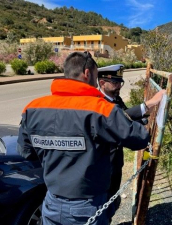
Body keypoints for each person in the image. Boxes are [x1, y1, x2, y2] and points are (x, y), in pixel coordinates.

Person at [17, 52, 150, 225]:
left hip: (51, 201)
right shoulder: (100, 109)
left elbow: (26, 152)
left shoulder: (32, 109)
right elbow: (140, 138)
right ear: (87, 73)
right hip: (88, 205)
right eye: (96, 76)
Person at [97, 64, 166, 221]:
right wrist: (150, 103)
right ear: (102, 83)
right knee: (103, 205)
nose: (118, 87)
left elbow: (124, 115)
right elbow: (120, 118)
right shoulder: (99, 102)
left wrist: (140, 120)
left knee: (112, 200)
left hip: (115, 163)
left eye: (120, 82)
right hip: (104, 165)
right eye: (115, 82)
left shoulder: (115, 97)